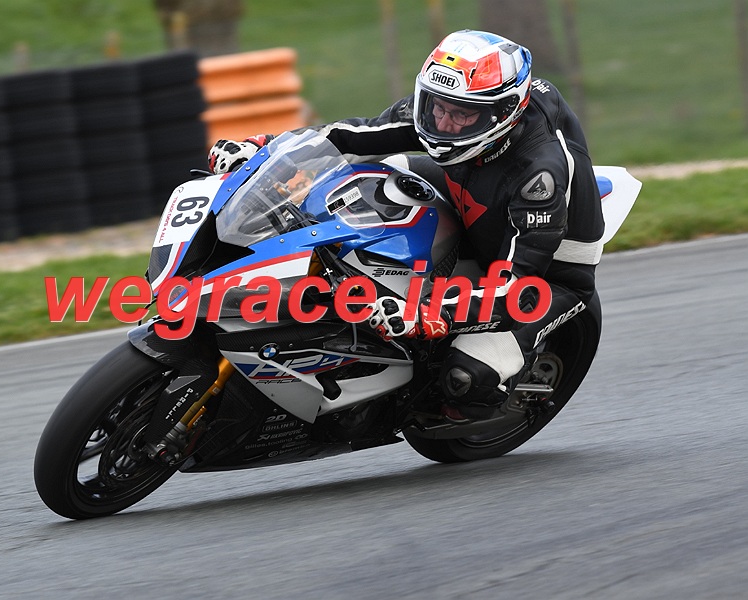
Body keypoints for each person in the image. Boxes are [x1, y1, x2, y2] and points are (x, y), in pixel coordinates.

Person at [207, 30, 604, 421]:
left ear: (503, 113)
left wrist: (430, 312)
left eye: (461, 115)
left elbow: (518, 287)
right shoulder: (454, 108)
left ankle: (472, 391)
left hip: (547, 277)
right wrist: (265, 148)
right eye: (437, 107)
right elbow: (354, 136)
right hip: (469, 193)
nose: (444, 124)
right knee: (361, 180)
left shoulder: (539, 175)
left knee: (466, 380)